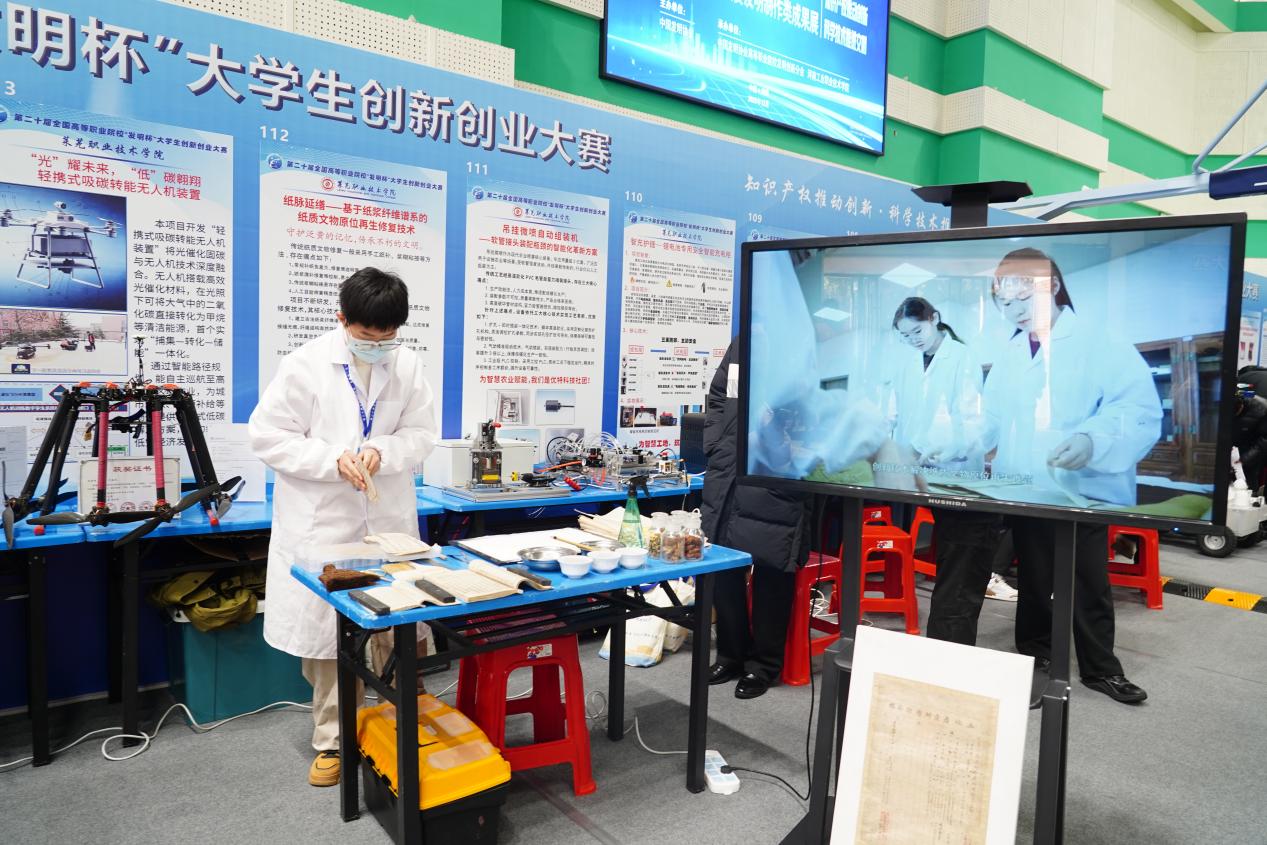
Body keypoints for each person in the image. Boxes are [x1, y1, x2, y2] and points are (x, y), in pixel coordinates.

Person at [249, 267, 438, 784]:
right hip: (324, 523)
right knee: (332, 639)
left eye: (387, 337)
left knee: (398, 624)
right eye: (366, 336)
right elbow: (268, 437)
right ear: (342, 320)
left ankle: (400, 725)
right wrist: (332, 458)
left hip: (387, 517)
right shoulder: (305, 365)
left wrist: (383, 449)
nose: (377, 346)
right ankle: (334, 740)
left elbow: (421, 433)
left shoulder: (407, 365)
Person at [983, 247, 1160, 704]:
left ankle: (1101, 668)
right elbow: (992, 416)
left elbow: (1136, 407)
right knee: (1034, 575)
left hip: (1081, 487)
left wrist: (1092, 439)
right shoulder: (1010, 352)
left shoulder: (1099, 341)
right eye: (1005, 302)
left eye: (1024, 298)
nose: (1015, 310)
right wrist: (963, 442)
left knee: (1087, 578)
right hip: (1023, 485)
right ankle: (1036, 655)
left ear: (1054, 287)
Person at [702, 340, 813, 699]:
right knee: (722, 566)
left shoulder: (802, 340)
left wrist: (786, 445)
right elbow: (719, 394)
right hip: (728, 468)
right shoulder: (743, 342)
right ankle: (730, 655)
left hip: (776, 468)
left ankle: (763, 665)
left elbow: (816, 405)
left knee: (772, 567)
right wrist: (717, 441)